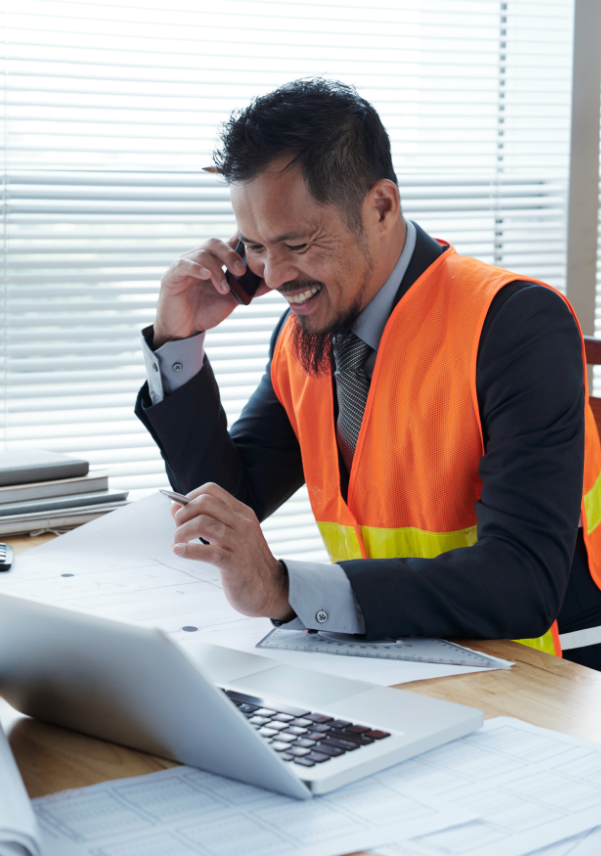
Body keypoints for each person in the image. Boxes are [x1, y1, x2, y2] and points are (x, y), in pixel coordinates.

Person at [135, 78, 601, 670]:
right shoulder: (306, 334)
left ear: (381, 206)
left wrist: (286, 589)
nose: (273, 276)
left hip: (547, 667)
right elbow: (228, 506)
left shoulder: (514, 324)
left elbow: (523, 580)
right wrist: (179, 341)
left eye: (298, 242)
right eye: (254, 247)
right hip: (394, 654)